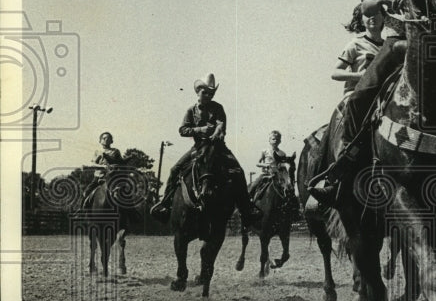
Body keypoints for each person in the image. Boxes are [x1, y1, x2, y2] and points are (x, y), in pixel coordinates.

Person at [310, 0, 434, 203]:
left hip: (434, 43)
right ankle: (343, 166)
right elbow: (363, 6)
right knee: (358, 98)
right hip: (395, 44)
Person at [150, 74, 261, 230]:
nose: (208, 95)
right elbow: (182, 130)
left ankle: (246, 209)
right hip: (198, 147)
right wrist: (199, 129)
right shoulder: (191, 110)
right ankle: (165, 205)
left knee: (239, 171)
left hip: (218, 147)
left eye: (211, 93)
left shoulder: (218, 108)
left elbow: (221, 125)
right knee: (175, 169)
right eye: (205, 93)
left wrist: (217, 133)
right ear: (198, 92)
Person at [331, 3, 385, 95]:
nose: (372, 16)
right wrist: (359, 76)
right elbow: (335, 73)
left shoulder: (389, 46)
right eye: (367, 14)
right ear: (361, 21)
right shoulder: (355, 44)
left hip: (381, 94)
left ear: (384, 17)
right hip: (356, 93)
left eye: (376, 12)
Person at [248, 130, 292, 206]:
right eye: (273, 139)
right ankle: (249, 203)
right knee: (253, 185)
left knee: (288, 189)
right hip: (266, 174)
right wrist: (266, 165)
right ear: (269, 140)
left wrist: (284, 173)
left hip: (277, 175)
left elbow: (283, 166)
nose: (275, 141)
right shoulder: (265, 151)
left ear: (280, 141)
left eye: (277, 139)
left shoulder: (282, 153)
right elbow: (257, 163)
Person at [83, 132, 125, 206]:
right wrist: (103, 167)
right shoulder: (98, 152)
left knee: (125, 194)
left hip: (112, 178)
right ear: (100, 141)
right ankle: (80, 212)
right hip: (98, 178)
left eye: (108, 138)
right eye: (104, 138)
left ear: (111, 141)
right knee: (86, 193)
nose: (106, 140)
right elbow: (92, 164)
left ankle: (132, 213)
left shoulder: (115, 151)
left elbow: (121, 163)